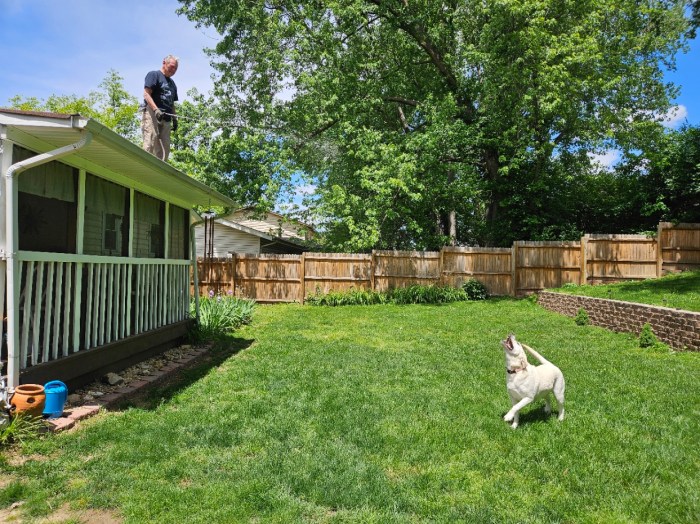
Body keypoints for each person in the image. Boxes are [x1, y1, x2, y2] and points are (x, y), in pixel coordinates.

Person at [141, 55, 179, 161]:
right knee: (150, 141)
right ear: (164, 63)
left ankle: (158, 170)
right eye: (172, 67)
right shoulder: (154, 75)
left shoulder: (172, 84)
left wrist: (175, 118)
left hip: (166, 118)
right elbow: (146, 94)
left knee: (164, 149)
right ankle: (144, 166)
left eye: (176, 68)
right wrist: (156, 110)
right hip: (152, 114)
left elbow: (172, 103)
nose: (173, 70)